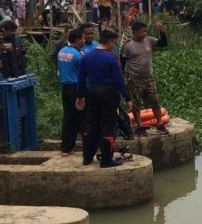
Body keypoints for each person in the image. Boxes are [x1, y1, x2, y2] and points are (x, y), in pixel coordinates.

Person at [76, 29, 132, 168]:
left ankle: (87, 158)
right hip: (108, 93)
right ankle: (106, 160)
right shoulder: (111, 58)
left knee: (91, 125)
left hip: (92, 91)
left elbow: (81, 78)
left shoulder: (86, 57)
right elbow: (119, 81)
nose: (113, 45)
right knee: (108, 126)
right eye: (113, 42)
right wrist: (127, 97)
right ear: (109, 42)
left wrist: (80, 96)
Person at [120, 21, 168, 136]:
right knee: (136, 103)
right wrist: (122, 78)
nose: (145, 34)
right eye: (142, 32)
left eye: (145, 31)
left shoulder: (148, 40)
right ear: (135, 32)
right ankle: (140, 126)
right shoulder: (128, 45)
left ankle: (160, 124)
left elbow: (163, 43)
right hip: (134, 78)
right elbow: (122, 63)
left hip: (148, 77)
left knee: (155, 100)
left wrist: (161, 31)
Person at [58, 29, 85, 156]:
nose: (84, 40)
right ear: (77, 40)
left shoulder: (61, 51)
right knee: (82, 117)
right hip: (76, 87)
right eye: (83, 38)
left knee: (68, 117)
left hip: (65, 87)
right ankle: (89, 146)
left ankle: (66, 148)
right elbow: (83, 74)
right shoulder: (78, 55)